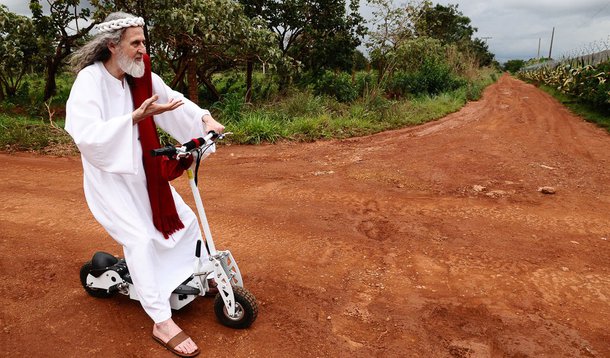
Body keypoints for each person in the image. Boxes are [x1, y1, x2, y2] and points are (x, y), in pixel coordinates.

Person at [65, 12, 223, 357]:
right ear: (112, 45)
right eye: (135, 43)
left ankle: (198, 276)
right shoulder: (89, 81)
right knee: (139, 240)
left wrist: (204, 118)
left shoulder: (139, 75)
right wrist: (132, 118)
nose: (142, 50)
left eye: (143, 42)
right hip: (110, 179)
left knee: (187, 222)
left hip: (144, 175)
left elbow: (171, 99)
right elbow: (85, 135)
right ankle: (161, 319)